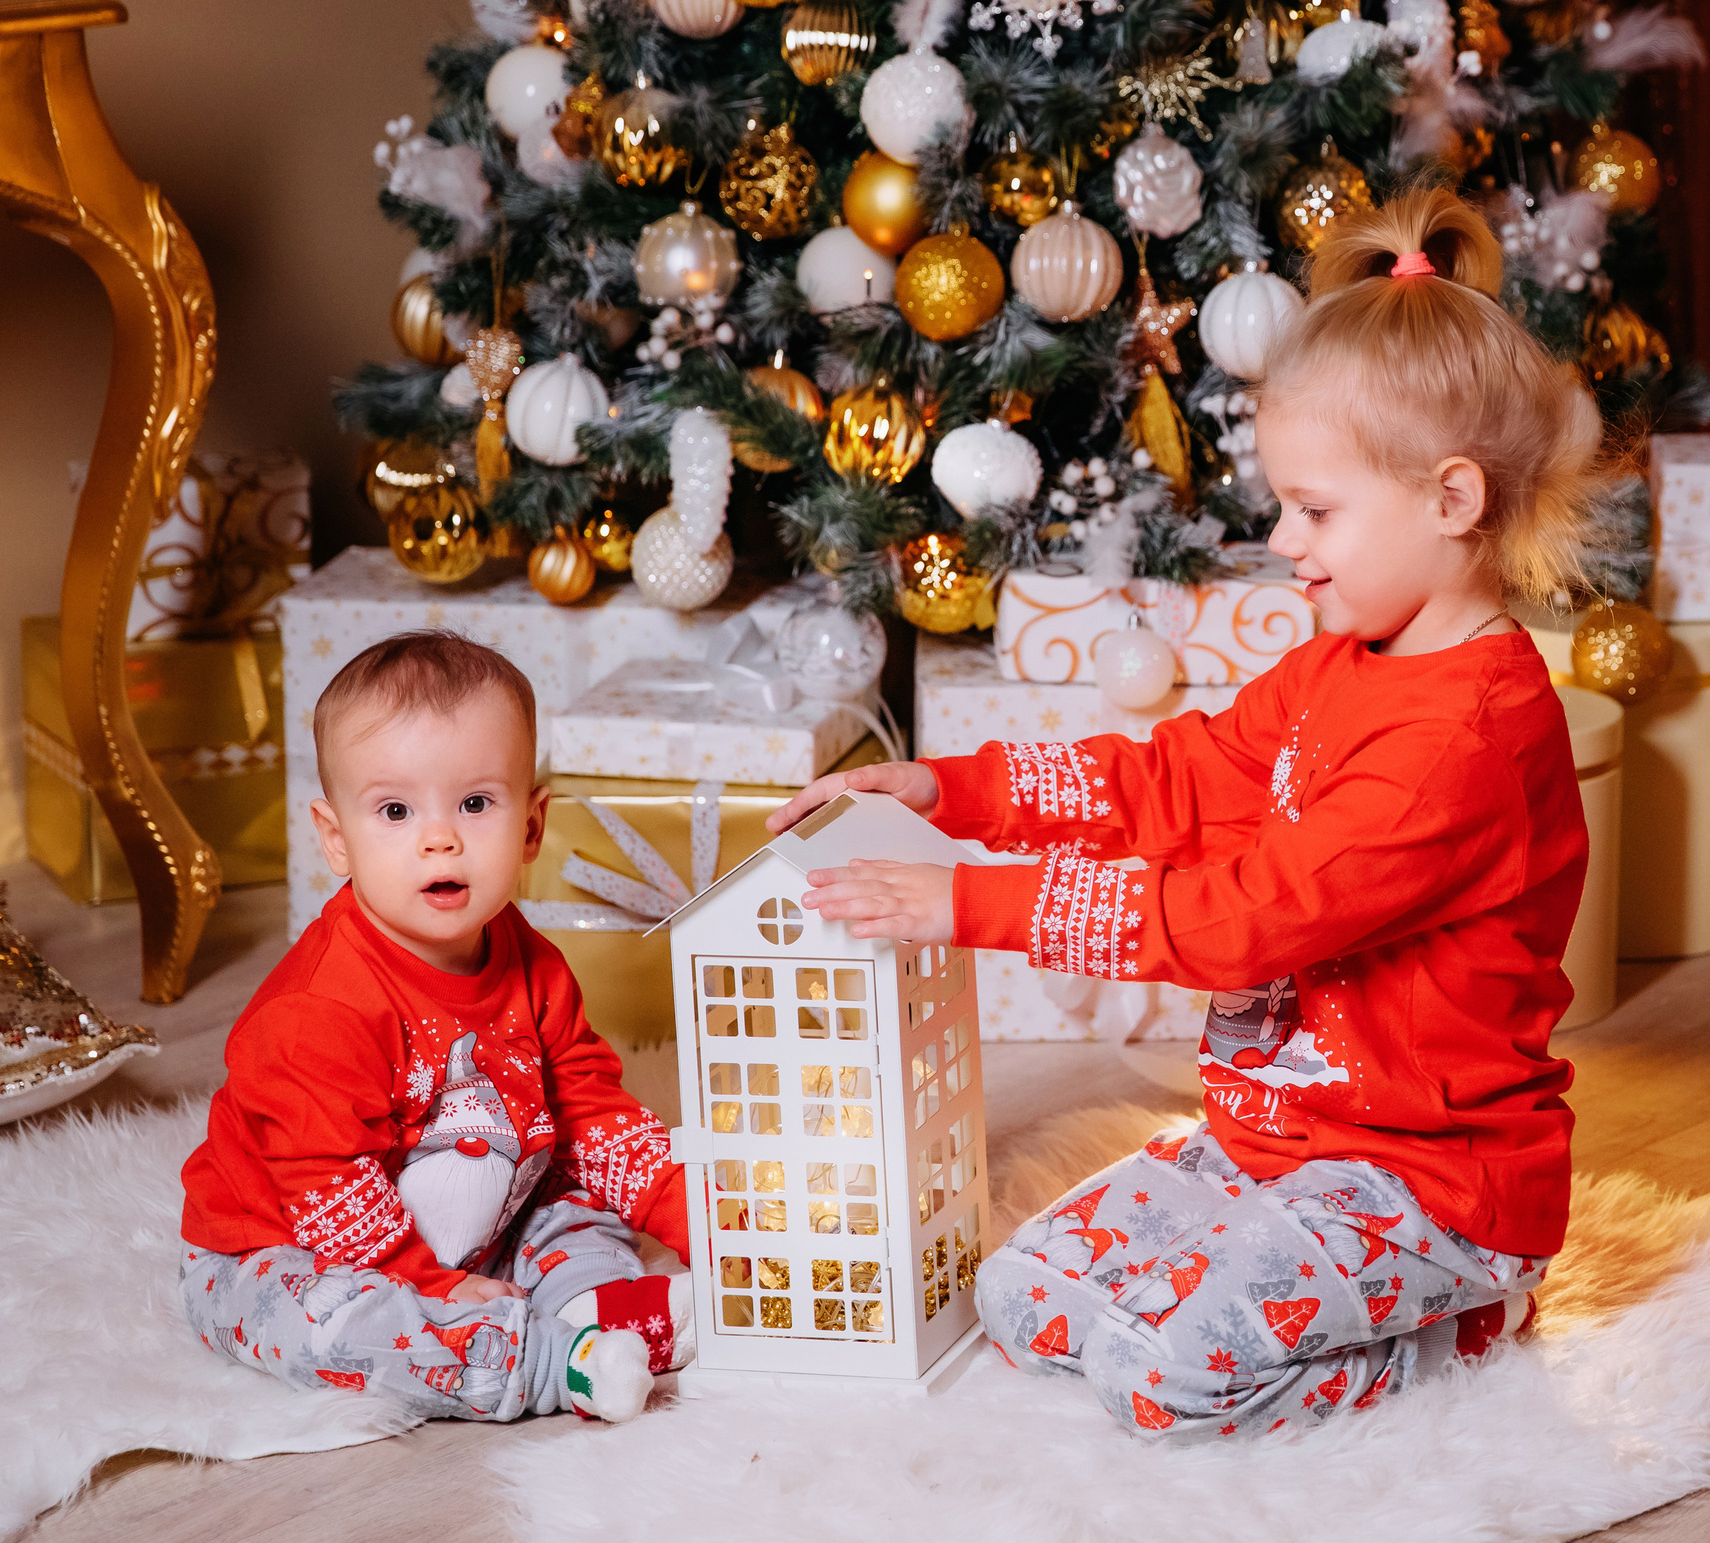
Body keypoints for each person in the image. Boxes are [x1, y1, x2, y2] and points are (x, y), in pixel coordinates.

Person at [768, 187, 1602, 1438]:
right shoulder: (1340, 664)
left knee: (1164, 1377)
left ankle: (1474, 1317)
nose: (1281, 541)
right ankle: (1263, 1252)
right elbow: (1177, 780)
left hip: (1425, 1183)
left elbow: (1245, 925)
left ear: (1453, 500)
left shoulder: (1468, 737)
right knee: (1023, 1298)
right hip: (1273, 1145)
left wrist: (965, 903)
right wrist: (956, 791)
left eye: (1316, 511)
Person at [179, 631, 691, 1424]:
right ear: (335, 837)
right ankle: (551, 1363)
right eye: (394, 809)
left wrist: (686, 1213)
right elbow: (331, 1192)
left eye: (476, 803)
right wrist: (434, 1285)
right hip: (290, 1244)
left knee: (571, 1202)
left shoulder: (535, 966)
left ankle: (612, 1306)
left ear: (531, 827)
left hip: (486, 1218)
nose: (439, 836)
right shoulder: (319, 1009)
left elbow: (593, 1116)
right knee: (337, 1327)